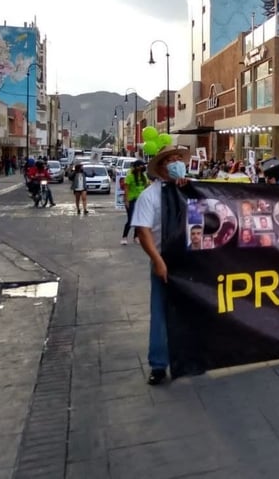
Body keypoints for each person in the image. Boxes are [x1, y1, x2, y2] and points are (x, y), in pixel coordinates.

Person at [132, 144, 190, 385]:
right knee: (160, 313)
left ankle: (191, 356)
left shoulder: (190, 189)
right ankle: (158, 364)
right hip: (165, 260)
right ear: (162, 166)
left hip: (190, 261)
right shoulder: (149, 196)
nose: (176, 162)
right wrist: (157, 261)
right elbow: (143, 232)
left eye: (179, 158)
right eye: (171, 159)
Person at [121, 160, 148, 245]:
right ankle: (124, 237)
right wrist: (126, 201)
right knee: (131, 220)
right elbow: (126, 189)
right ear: (136, 167)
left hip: (141, 200)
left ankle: (136, 237)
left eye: (143, 165)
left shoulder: (144, 176)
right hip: (131, 200)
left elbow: (146, 187)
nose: (142, 167)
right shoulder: (130, 176)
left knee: (139, 220)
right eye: (140, 165)